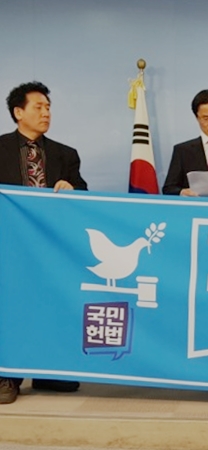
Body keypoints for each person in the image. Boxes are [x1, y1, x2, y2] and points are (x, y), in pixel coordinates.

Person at [0, 81, 86, 404]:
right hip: (8, 245)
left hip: (51, 247)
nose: (46, 112)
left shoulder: (65, 154)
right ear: (18, 112)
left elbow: (83, 194)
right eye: (38, 107)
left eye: (48, 107)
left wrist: (72, 189)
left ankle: (47, 369)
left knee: (51, 302)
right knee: (10, 307)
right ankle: (7, 375)